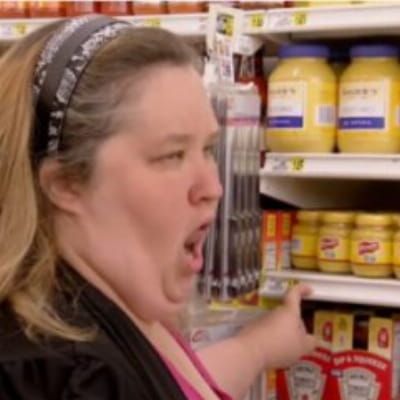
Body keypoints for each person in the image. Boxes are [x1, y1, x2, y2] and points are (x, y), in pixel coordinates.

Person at [0, 14, 315, 400]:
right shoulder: (69, 377)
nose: (213, 188)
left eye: (208, 149)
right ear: (65, 184)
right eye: (172, 155)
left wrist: (257, 348)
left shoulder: (120, 306)